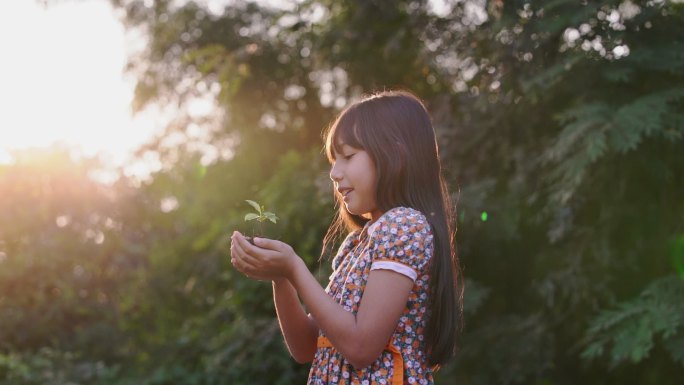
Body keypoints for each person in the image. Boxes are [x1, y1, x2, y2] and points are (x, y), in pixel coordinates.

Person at [230, 90, 463, 385]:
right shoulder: (357, 243)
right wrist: (282, 278)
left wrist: (294, 267)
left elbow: (361, 347)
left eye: (348, 156)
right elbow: (307, 347)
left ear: (396, 153)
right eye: (333, 160)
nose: (334, 173)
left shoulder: (404, 226)